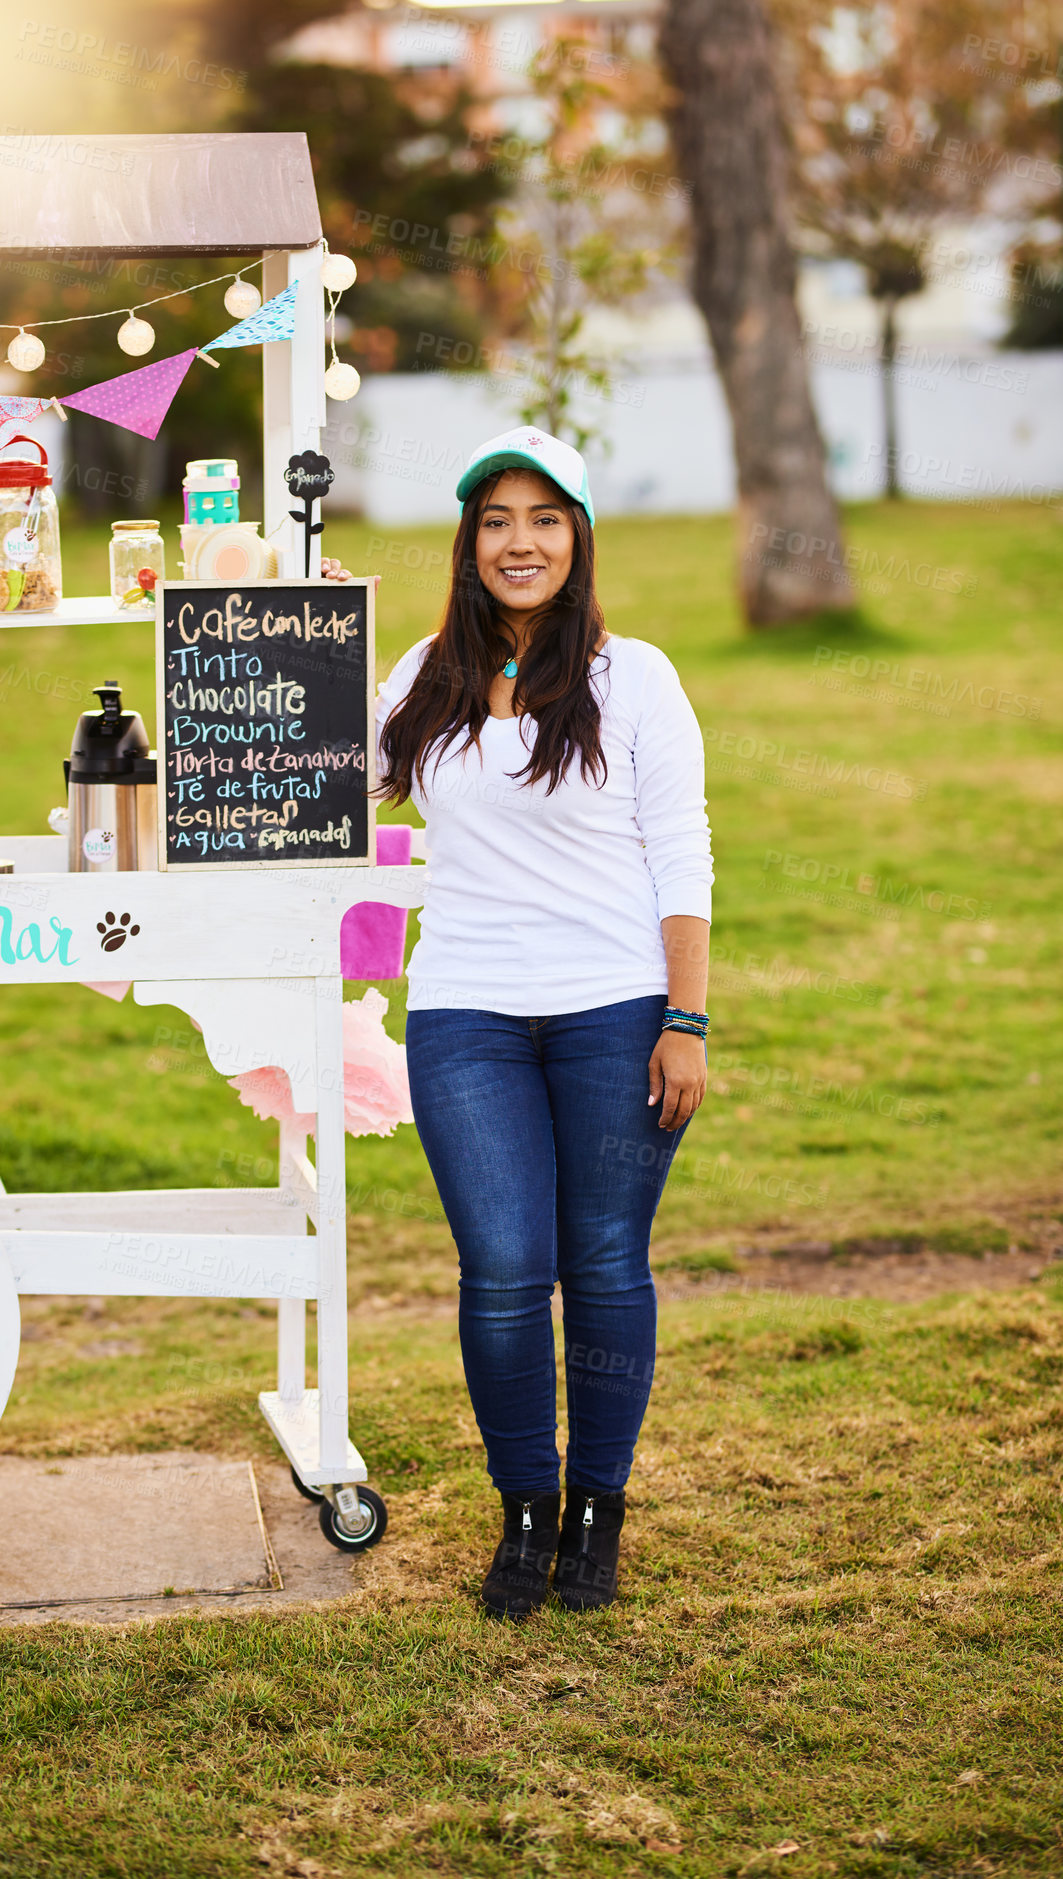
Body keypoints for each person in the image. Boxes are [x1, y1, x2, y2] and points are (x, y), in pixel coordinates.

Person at [323, 425, 712, 1620]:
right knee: (500, 1271)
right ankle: (524, 1509)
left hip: (614, 1011)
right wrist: (319, 643)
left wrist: (684, 1017)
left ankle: (597, 1510)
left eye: (544, 520)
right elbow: (333, 772)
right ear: (468, 541)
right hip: (467, 1012)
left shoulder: (633, 675)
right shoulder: (426, 673)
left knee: (602, 1266)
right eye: (496, 522)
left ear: (578, 537)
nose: (519, 542)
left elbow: (682, 857)